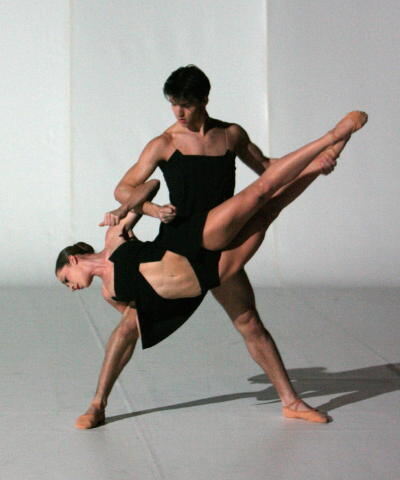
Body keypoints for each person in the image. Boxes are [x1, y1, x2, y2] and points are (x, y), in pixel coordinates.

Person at [56, 109, 367, 428]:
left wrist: (127, 208)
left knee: (251, 313)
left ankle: (291, 402)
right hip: (187, 286)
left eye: (66, 279)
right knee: (124, 330)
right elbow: (144, 315)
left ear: (73, 259)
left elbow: (150, 185)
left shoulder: (114, 236)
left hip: (192, 255)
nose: (71, 287)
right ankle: (97, 405)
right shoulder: (108, 292)